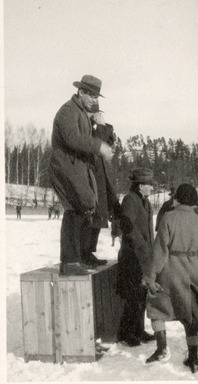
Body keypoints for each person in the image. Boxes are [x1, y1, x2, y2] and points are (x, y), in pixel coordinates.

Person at [142, 183, 198, 373]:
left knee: (156, 306)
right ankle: (194, 358)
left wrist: (150, 276)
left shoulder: (168, 218)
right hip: (194, 272)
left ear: (177, 198)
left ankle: (162, 349)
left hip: (170, 271)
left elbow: (160, 252)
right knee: (191, 314)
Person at [49, 75, 113, 275]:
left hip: (76, 167)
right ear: (82, 92)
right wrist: (99, 145)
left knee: (86, 207)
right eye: (92, 95)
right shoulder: (69, 111)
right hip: (66, 167)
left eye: (97, 96)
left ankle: (79, 257)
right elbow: (72, 139)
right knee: (76, 208)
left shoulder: (82, 113)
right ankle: (70, 262)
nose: (95, 100)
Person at [117, 168, 155, 347]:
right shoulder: (131, 200)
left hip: (144, 255)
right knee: (132, 295)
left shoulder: (144, 201)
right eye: (149, 185)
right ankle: (127, 333)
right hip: (132, 255)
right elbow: (127, 224)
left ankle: (139, 330)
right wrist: (140, 243)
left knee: (141, 294)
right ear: (140, 186)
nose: (151, 188)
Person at [80, 102, 121, 267]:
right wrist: (101, 126)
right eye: (94, 113)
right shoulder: (85, 129)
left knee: (98, 219)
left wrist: (103, 125)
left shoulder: (96, 129)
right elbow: (95, 143)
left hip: (101, 182)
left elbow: (109, 140)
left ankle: (88, 253)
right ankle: (83, 254)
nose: (96, 117)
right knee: (89, 221)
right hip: (90, 182)